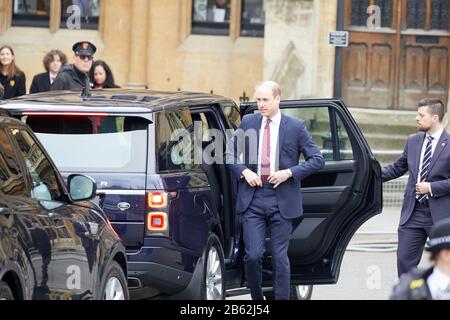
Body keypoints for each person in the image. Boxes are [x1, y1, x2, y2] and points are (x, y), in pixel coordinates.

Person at [225, 81, 324, 300]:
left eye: (265, 100)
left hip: (282, 198)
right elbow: (229, 155)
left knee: (280, 257)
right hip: (253, 198)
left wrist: (289, 172)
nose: (260, 105)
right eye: (258, 100)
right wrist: (244, 172)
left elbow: (317, 160)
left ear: (278, 99)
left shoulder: (295, 127)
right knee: (253, 256)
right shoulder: (248, 122)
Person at [382, 98, 450, 277]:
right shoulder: (413, 140)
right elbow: (397, 168)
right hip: (413, 213)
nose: (416, 118)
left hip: (441, 216)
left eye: (421, 114)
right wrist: (368, 174)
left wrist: (432, 187)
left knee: (445, 266)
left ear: (435, 117)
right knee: (404, 261)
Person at [390, 217, 450, 300]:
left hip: (441, 211)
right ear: (446, 254)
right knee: (404, 259)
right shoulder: (408, 288)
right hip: (414, 211)